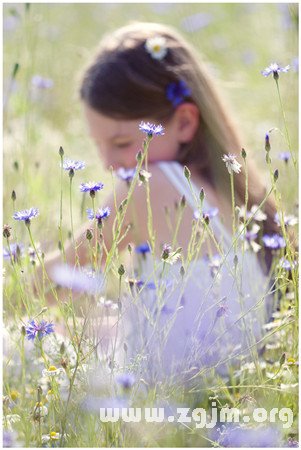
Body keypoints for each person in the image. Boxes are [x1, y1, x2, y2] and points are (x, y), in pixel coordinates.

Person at [48, 22, 279, 385]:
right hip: (226, 394)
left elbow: (48, 282)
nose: (108, 163)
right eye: (99, 146)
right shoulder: (236, 195)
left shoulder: (147, 189)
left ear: (185, 122)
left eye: (122, 143)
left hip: (160, 407)